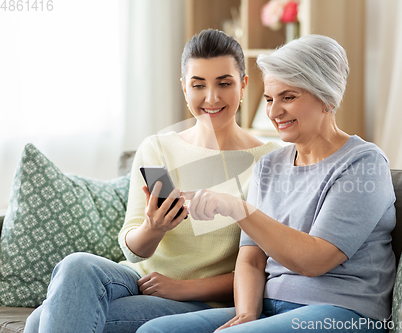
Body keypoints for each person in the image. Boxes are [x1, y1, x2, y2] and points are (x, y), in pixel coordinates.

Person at [24, 29, 281, 333]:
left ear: (243, 85)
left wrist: (183, 288)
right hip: (135, 278)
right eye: (199, 85)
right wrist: (153, 228)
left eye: (224, 83)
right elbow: (134, 249)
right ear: (185, 89)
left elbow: (264, 267)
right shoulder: (157, 148)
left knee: (40, 320)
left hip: (199, 301)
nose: (211, 97)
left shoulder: (270, 161)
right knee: (76, 265)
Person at [136, 35, 397, 333]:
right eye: (270, 99)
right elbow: (251, 259)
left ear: (326, 97)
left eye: (288, 97)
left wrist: (238, 208)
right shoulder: (269, 166)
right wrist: (247, 313)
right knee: (154, 331)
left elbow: (313, 260)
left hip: (341, 311)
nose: (273, 113)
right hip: (271, 308)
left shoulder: (364, 164)